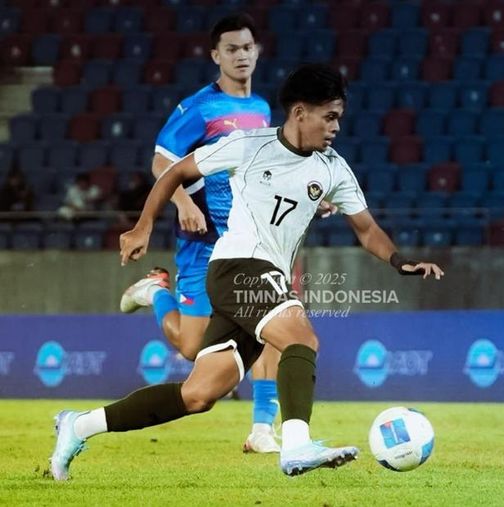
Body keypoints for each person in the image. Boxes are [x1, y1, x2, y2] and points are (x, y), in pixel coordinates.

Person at [50, 63, 444, 481]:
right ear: (299, 112)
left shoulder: (333, 169)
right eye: (329, 117)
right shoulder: (249, 145)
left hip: (258, 277)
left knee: (199, 394)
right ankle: (295, 445)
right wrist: (143, 224)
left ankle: (78, 425)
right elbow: (177, 171)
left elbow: (366, 229)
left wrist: (400, 260)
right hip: (237, 265)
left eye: (339, 118)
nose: (335, 128)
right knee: (301, 337)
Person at [116, 14, 282, 453]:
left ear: (257, 51)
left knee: (269, 324)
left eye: (247, 47)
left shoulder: (263, 109)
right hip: (202, 241)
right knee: (191, 349)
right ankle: (154, 293)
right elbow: (161, 162)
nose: (241, 55)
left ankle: (263, 430)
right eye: (231, 49)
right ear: (215, 56)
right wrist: (184, 201)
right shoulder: (198, 108)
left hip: (248, 242)